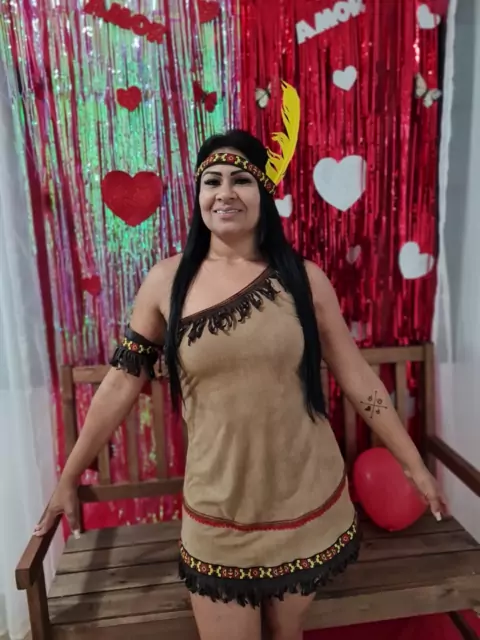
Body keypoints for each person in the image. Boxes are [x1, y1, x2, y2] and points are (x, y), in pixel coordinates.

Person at [35, 87, 446, 640]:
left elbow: (357, 378)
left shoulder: (304, 280)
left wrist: (414, 465)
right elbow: (120, 383)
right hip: (217, 512)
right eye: (212, 181)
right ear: (199, 195)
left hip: (305, 503)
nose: (225, 193)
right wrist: (68, 476)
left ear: (263, 193)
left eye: (241, 180)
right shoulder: (166, 282)